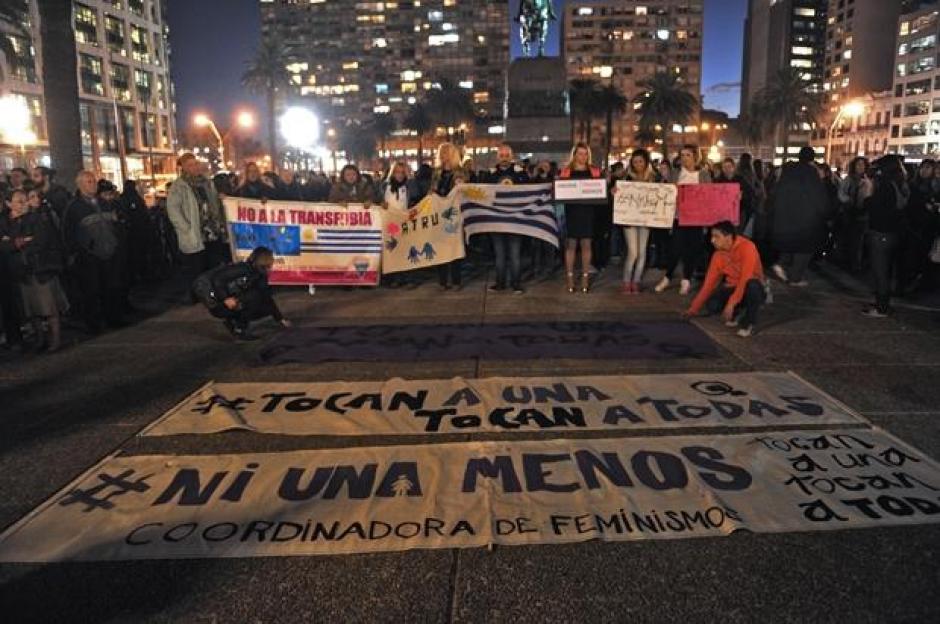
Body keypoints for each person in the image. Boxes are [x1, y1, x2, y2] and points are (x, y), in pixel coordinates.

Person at [62, 170, 124, 332]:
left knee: (111, 287)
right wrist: (77, 251)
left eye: (94, 181)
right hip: (89, 256)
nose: (93, 184)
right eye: (89, 182)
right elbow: (68, 232)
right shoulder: (74, 207)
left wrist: (117, 242)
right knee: (91, 290)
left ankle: (113, 318)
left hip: (109, 252)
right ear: (80, 185)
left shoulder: (104, 203)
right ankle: (94, 323)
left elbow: (115, 224)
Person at [8, 189, 67, 352]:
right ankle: (40, 338)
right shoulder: (11, 222)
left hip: (40, 269)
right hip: (24, 272)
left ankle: (55, 339)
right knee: (32, 309)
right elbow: (8, 242)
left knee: (48, 306)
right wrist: (19, 242)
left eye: (24, 200)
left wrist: (20, 244)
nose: (23, 204)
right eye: (19, 201)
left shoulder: (37, 218)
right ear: (10, 204)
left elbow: (40, 241)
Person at [684, 221, 765, 338]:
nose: (712, 240)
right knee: (713, 305)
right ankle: (738, 312)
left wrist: (731, 303)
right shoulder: (718, 255)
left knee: (752, 286)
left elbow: (745, 278)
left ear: (728, 237)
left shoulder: (747, 247)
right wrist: (693, 309)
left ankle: (750, 322)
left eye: (717, 236)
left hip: (751, 286)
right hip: (732, 287)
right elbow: (708, 285)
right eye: (712, 236)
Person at [193, 246, 290, 341]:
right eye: (269, 264)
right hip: (218, 302)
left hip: (231, 300)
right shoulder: (242, 269)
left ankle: (234, 322)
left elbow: (266, 297)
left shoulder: (259, 275)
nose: (271, 267)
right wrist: (225, 298)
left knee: (263, 306)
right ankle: (239, 329)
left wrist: (280, 319)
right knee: (253, 298)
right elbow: (217, 279)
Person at [167, 153, 229, 296]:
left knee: (213, 264)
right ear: (183, 167)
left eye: (195, 164)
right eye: (190, 165)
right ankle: (198, 295)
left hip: (211, 231)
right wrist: (186, 229)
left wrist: (220, 202)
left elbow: (213, 203)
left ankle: (214, 293)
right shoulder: (179, 186)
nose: (194, 167)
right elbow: (173, 210)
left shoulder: (207, 182)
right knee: (196, 267)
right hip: (194, 232)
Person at [769, 146, 829, 287]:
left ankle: (781, 264)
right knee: (805, 248)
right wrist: (825, 212)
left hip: (786, 216)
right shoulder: (811, 173)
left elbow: (777, 193)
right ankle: (795, 278)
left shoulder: (788, 171)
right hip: (805, 219)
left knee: (791, 244)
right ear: (812, 158)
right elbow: (818, 196)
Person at [656, 145, 711, 295]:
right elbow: (664, 191)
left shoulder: (704, 175)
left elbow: (710, 195)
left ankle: (686, 279)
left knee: (692, 250)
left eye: (687, 155)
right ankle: (668, 276)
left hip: (697, 218)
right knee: (675, 248)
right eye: (682, 155)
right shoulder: (675, 174)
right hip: (679, 217)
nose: (684, 158)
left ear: (695, 156)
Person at [860, 156, 909, 317]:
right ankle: (881, 302)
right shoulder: (899, 184)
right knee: (885, 271)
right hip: (892, 234)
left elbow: (875, 211)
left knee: (880, 271)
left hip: (881, 234)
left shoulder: (885, 187)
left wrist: (868, 193)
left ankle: (882, 307)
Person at [482, 144, 529, 293]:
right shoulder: (490, 175)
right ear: (497, 157)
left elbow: (529, 191)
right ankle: (500, 284)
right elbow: (483, 193)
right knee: (500, 255)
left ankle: (516, 284)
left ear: (511, 156)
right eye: (501, 156)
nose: (504, 159)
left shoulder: (520, 173)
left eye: (506, 155)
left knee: (515, 254)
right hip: (496, 220)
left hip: (515, 220)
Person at [559, 142, 603, 293]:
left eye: (585, 154)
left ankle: (585, 277)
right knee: (571, 245)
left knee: (586, 244)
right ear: (574, 155)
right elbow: (560, 192)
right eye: (580, 153)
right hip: (572, 211)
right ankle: (570, 277)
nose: (583, 157)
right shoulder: (566, 171)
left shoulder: (595, 171)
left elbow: (601, 190)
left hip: (588, 212)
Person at [618, 149, 658, 294]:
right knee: (633, 252)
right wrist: (615, 191)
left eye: (640, 161)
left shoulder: (653, 178)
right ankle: (626, 281)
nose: (638, 164)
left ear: (646, 162)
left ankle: (636, 281)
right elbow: (617, 192)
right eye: (635, 162)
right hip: (629, 219)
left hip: (646, 219)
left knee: (642, 252)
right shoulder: (626, 178)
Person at [431, 142, 468, 289]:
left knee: (455, 246)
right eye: (441, 152)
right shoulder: (437, 172)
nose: (443, 155)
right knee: (440, 246)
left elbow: (465, 189)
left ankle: (456, 280)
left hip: (454, 213)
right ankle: (443, 281)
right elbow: (432, 189)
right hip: (439, 212)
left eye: (446, 152)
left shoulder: (460, 171)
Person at [837, 156, 870, 272]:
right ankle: (847, 262)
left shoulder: (867, 180)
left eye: (863, 164)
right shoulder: (848, 179)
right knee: (848, 239)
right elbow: (841, 193)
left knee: (858, 241)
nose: (860, 167)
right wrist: (848, 200)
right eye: (858, 164)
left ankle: (856, 264)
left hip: (862, 215)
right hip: (849, 213)